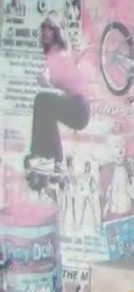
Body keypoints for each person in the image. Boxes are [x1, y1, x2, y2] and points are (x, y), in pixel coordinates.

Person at [27, 18, 89, 199]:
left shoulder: (59, 54)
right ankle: (54, 160)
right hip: (77, 107)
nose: (45, 33)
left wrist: (47, 83)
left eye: (49, 30)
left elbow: (69, 84)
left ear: (56, 34)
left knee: (42, 101)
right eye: (43, 30)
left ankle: (47, 156)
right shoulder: (53, 55)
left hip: (79, 107)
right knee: (46, 108)